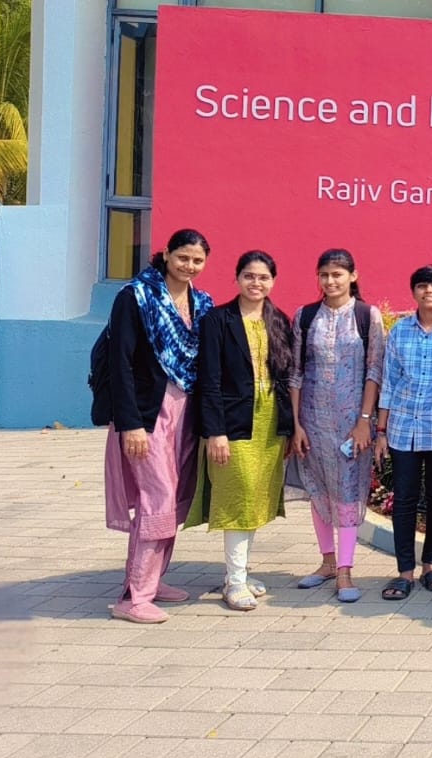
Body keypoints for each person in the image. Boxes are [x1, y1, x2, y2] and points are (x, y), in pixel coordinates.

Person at [103, 228, 213, 624]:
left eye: (197, 260)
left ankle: (151, 581)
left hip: (185, 416)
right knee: (157, 499)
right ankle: (134, 597)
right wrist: (130, 424)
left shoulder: (201, 304)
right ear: (166, 254)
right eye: (183, 257)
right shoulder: (135, 297)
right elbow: (119, 363)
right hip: (147, 417)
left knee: (174, 499)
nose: (189, 266)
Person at [188, 250, 294, 612]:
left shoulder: (279, 320)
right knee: (238, 497)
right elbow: (209, 380)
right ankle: (234, 583)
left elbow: (286, 378)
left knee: (255, 499)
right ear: (237, 278)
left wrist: (290, 427)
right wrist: (214, 432)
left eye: (263, 277)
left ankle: (241, 574)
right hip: (233, 424)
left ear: (273, 282)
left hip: (269, 426)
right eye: (249, 276)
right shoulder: (217, 320)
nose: (256, 283)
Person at [287, 249, 383, 605]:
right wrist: (296, 424)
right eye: (324, 274)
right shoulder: (305, 316)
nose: (330, 281)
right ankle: (327, 561)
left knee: (347, 493)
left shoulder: (367, 316)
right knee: (319, 490)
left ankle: (345, 569)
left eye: (338, 274)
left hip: (351, 425)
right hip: (312, 421)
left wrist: (364, 421)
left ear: (352, 276)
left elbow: (374, 371)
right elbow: (296, 373)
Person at [375, 265, 432, 601]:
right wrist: (381, 430)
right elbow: (389, 383)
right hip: (403, 429)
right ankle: (404, 572)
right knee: (404, 499)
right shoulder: (400, 331)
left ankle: (431, 565)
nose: (429, 291)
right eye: (422, 286)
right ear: (414, 292)